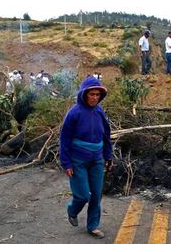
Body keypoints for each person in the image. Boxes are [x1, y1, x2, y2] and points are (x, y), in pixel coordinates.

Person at [60, 76, 113, 239]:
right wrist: (66, 163)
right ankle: (72, 210)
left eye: (98, 95)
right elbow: (64, 139)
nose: (95, 98)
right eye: (92, 94)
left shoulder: (99, 111)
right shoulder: (74, 113)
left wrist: (108, 155)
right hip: (78, 160)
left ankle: (92, 226)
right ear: (84, 94)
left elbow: (106, 134)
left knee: (96, 195)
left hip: (96, 159)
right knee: (83, 195)